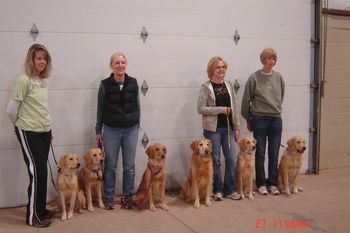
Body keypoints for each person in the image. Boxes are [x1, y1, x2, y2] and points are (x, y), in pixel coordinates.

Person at [6, 44, 55, 227]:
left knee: (42, 173)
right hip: (29, 132)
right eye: (38, 58)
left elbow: (40, 108)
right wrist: (18, 125)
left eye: (44, 58)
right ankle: (33, 217)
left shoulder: (43, 80)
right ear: (31, 60)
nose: (42, 62)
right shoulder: (23, 80)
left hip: (44, 131)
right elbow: (11, 110)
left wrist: (49, 129)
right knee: (37, 172)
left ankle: (41, 209)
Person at [95, 52, 140, 210]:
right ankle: (108, 197)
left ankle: (128, 196)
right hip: (111, 130)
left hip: (130, 131)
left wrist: (136, 124)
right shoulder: (105, 85)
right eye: (117, 63)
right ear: (111, 66)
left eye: (123, 62)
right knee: (110, 166)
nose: (120, 65)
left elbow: (137, 106)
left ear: (126, 64)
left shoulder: (133, 83)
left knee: (129, 166)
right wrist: (98, 130)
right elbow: (100, 110)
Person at [241, 48, 285, 196]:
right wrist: (248, 118)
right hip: (259, 119)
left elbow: (281, 96)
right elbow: (246, 100)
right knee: (259, 152)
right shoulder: (254, 78)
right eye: (269, 58)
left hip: (275, 119)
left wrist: (276, 110)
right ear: (263, 60)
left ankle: (272, 183)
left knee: (274, 152)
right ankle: (260, 183)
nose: (272, 61)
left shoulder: (278, 77)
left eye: (274, 59)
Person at [197, 56, 241, 201]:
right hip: (213, 130)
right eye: (218, 67)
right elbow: (201, 108)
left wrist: (237, 127)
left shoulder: (228, 85)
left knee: (231, 159)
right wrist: (220, 109)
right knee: (215, 160)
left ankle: (230, 189)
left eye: (223, 67)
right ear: (212, 70)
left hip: (228, 128)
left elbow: (234, 106)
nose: (221, 69)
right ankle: (217, 190)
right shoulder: (205, 87)